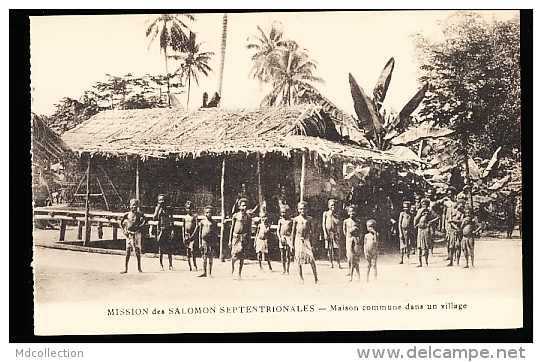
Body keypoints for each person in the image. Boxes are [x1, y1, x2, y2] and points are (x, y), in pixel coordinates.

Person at [291, 201, 319, 284]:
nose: (303, 210)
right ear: (298, 210)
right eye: (301, 209)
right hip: (298, 239)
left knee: (311, 259)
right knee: (299, 259)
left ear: (307, 209)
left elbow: (313, 232)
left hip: (306, 240)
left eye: (304, 208)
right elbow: (293, 232)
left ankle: (316, 278)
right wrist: (292, 244)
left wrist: (313, 243)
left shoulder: (309, 219)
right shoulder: (296, 219)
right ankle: (301, 277)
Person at [120, 199, 146, 274]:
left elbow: (145, 219)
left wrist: (141, 226)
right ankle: (126, 268)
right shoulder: (127, 214)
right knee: (128, 251)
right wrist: (124, 231)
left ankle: (139, 268)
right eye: (133, 205)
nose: (134, 207)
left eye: (136, 205)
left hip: (136, 234)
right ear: (130, 206)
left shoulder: (140, 214)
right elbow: (121, 222)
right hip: (129, 234)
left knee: (137, 251)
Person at [229, 198, 251, 280]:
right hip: (235, 237)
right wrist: (230, 240)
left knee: (242, 256)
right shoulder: (235, 216)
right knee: (234, 255)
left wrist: (248, 242)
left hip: (243, 238)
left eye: (246, 205)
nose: (244, 207)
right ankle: (232, 271)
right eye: (243, 205)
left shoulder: (248, 217)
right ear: (239, 206)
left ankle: (239, 274)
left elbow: (249, 230)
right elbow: (232, 228)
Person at [414, 199, 439, 267]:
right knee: (419, 247)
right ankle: (420, 263)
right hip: (420, 230)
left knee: (426, 247)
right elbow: (415, 220)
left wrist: (431, 222)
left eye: (425, 204)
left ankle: (426, 262)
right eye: (422, 204)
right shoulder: (419, 211)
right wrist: (420, 213)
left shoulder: (430, 211)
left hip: (426, 230)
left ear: (427, 205)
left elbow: (438, 217)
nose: (424, 205)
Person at [153, 194, 175, 271]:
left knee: (169, 248)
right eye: (160, 200)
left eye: (163, 200)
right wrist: (158, 209)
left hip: (167, 229)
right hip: (160, 229)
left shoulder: (169, 209)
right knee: (161, 248)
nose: (162, 201)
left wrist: (172, 230)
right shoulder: (157, 208)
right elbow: (154, 218)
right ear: (158, 201)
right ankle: (161, 264)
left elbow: (172, 220)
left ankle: (170, 265)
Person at [198, 205, 219, 277]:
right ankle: (204, 272)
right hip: (204, 241)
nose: (208, 214)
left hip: (211, 242)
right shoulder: (202, 222)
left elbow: (216, 233)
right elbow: (200, 233)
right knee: (204, 257)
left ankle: (209, 272)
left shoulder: (214, 222)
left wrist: (216, 242)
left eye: (210, 212)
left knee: (210, 257)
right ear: (204, 213)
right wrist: (200, 243)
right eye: (207, 212)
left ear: (212, 213)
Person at [344, 205, 363, 282]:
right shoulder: (346, 221)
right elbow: (344, 231)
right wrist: (348, 237)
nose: (352, 213)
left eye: (353, 211)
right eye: (350, 211)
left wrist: (358, 238)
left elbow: (361, 231)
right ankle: (350, 272)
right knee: (349, 256)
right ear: (348, 212)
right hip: (349, 239)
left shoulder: (358, 221)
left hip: (356, 239)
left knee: (356, 257)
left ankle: (357, 274)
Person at [322, 199, 342, 268]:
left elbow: (338, 224)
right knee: (329, 249)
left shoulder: (336, 215)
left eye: (334, 205)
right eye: (332, 205)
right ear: (328, 206)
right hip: (328, 233)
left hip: (335, 233)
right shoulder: (326, 213)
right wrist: (325, 233)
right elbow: (323, 224)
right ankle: (331, 262)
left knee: (336, 249)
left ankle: (338, 262)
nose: (333, 207)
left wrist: (334, 216)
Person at [277, 205, 293, 274]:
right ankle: (283, 269)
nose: (283, 214)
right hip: (282, 238)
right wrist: (280, 238)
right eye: (282, 212)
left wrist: (291, 238)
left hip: (288, 237)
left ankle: (288, 269)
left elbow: (293, 230)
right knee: (282, 254)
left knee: (288, 254)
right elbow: (278, 230)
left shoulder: (291, 220)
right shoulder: (280, 221)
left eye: (285, 212)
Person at [446, 202, 464, 266]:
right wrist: (455, 226)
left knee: (458, 246)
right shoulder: (451, 212)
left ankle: (457, 262)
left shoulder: (461, 213)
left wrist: (454, 221)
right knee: (451, 247)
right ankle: (451, 262)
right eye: (460, 205)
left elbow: (461, 221)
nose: (461, 207)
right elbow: (449, 221)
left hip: (459, 231)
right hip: (452, 231)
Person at [182, 201, 198, 271]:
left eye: (190, 208)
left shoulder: (194, 217)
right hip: (187, 235)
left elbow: (197, 226)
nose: (189, 210)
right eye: (187, 208)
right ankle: (189, 266)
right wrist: (183, 236)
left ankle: (194, 264)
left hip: (193, 236)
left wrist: (193, 235)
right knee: (188, 251)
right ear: (186, 209)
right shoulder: (185, 217)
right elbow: (183, 227)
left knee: (193, 250)